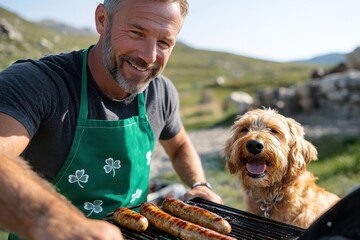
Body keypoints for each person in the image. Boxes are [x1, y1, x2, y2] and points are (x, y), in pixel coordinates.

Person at [0, 0, 223, 239]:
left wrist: (199, 184)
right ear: (102, 20)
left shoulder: (161, 92)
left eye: (163, 42)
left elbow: (179, 146)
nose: (148, 57)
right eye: (136, 33)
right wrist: (59, 225)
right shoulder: (36, 83)